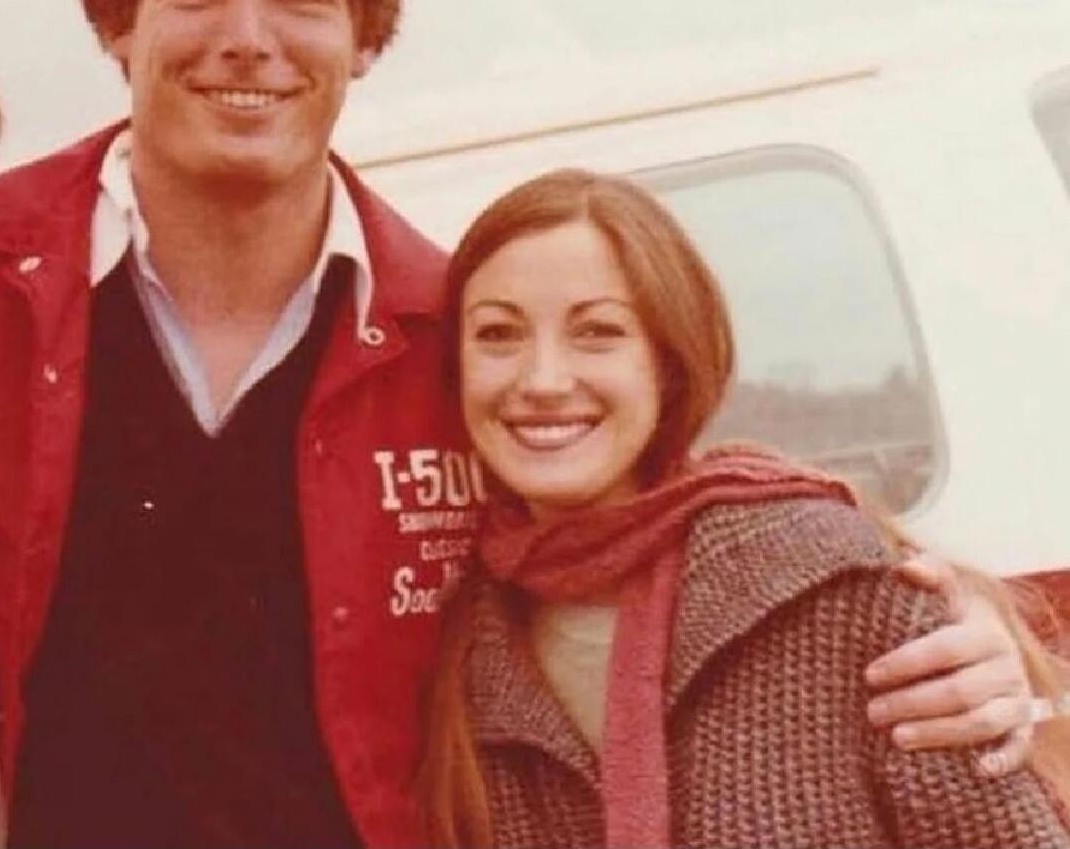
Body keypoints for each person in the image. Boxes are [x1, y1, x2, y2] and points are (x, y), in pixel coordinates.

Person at [0, 0, 1044, 848]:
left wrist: (955, 623)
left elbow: (656, 521)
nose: (248, 38)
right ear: (118, 20)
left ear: (364, 38)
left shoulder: (454, 337)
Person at [422, 167, 1070, 849]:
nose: (543, 380)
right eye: (498, 334)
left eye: (598, 332)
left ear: (668, 363)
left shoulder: (842, 592)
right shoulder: (453, 642)